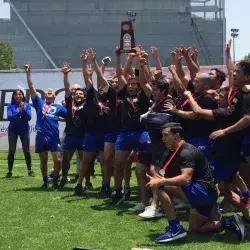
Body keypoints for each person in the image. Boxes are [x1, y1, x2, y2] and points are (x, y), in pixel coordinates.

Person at [146, 122, 246, 243]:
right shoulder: (176, 150)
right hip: (202, 191)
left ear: (176, 136)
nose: (163, 139)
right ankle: (227, 222)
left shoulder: (186, 152)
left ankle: (175, 227)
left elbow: (185, 179)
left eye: (166, 135)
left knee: (160, 186)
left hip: (203, 192)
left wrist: (160, 181)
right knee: (195, 229)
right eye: (162, 135)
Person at [24, 64, 67, 189]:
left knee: (57, 160)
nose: (49, 91)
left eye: (52, 91)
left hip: (53, 136)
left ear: (54, 96)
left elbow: (71, 115)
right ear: (44, 95)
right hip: (41, 135)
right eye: (48, 91)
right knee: (43, 160)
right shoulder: (39, 103)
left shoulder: (58, 107)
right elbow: (31, 87)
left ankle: (55, 180)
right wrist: (28, 73)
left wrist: (67, 106)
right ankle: (45, 181)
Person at [59, 62, 88, 189]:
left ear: (84, 96)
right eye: (76, 94)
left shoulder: (88, 105)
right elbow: (67, 88)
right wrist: (66, 75)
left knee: (85, 161)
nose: (78, 95)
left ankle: (87, 181)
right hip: (71, 135)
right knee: (66, 160)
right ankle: (64, 178)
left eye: (80, 94)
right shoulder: (70, 103)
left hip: (83, 136)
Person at [6, 89, 34, 178]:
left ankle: (30, 170)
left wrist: (24, 110)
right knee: (11, 151)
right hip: (13, 130)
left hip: (24, 130)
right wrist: (19, 112)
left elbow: (29, 117)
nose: (18, 96)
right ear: (13, 96)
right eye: (16, 94)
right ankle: (9, 171)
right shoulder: (10, 105)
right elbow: (10, 117)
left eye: (19, 94)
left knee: (27, 151)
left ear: (22, 95)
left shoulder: (27, 105)